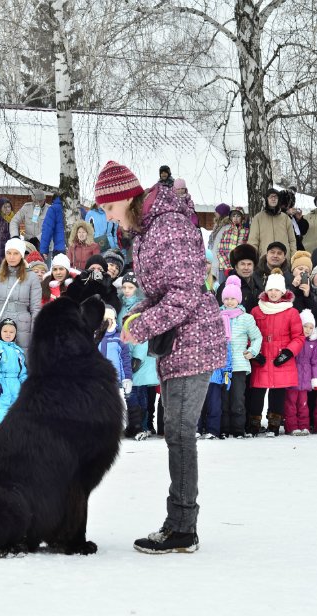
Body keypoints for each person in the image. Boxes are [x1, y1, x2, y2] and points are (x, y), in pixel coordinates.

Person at [95, 159, 225, 553]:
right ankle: (179, 523)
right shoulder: (147, 230)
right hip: (176, 341)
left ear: (125, 199)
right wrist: (138, 312)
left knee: (180, 433)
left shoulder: (168, 226)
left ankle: (182, 527)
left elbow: (185, 294)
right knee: (176, 432)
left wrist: (143, 324)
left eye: (108, 208)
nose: (107, 216)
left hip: (194, 339)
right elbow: (163, 290)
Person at [248, 269, 305, 437]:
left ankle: (274, 423)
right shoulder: (257, 311)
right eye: (270, 289)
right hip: (262, 358)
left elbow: (298, 337)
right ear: (266, 290)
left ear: (283, 291)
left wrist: (288, 352)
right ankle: (254, 423)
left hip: (281, 359)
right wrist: (254, 352)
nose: (273, 293)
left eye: (277, 290)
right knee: (257, 391)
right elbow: (249, 334)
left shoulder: (291, 311)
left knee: (278, 393)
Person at [0, 238, 42, 353]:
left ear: (21, 255)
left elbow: (35, 309)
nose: (11, 257)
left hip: (23, 328)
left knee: (22, 364)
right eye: (9, 253)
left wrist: (36, 334)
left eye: (15, 253)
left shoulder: (32, 277)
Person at [219, 276, 262, 438]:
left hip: (239, 365)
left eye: (233, 298)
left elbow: (257, 337)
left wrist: (252, 351)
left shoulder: (246, 318)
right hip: (221, 366)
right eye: (227, 298)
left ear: (239, 299)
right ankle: (224, 428)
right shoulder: (218, 316)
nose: (230, 302)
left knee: (237, 398)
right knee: (224, 398)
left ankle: (237, 429)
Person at [118, 271, 158, 440]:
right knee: (131, 392)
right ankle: (135, 424)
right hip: (126, 354)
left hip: (139, 356)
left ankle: (141, 425)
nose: (127, 290)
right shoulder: (121, 306)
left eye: (130, 287)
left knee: (137, 392)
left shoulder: (141, 307)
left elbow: (143, 334)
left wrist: (138, 357)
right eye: (124, 287)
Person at [0, 318, 27, 423]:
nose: (8, 334)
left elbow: (22, 369)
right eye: (5, 331)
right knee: (3, 406)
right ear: (0, 332)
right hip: (2, 381)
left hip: (15, 382)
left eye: (11, 332)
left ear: (15, 334)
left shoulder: (17, 350)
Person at [283, 309, 317, 435]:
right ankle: (292, 427)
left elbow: (315, 362)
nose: (307, 330)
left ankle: (304, 426)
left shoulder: (313, 343)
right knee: (290, 403)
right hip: (292, 378)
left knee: (303, 404)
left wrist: (314, 379)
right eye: (305, 326)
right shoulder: (294, 340)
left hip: (305, 380)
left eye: (311, 327)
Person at [98, 304, 132, 414]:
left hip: (114, 380)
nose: (107, 322)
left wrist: (127, 378)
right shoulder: (94, 337)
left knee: (113, 408)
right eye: (104, 319)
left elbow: (125, 359)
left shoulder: (119, 338)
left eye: (110, 319)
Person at [248, 188, 297, 261]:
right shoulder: (258, 218)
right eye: (271, 196)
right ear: (267, 199)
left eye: (276, 197)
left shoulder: (286, 218)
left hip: (284, 260)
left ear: (278, 200)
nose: (273, 199)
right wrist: (253, 259)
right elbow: (253, 241)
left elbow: (292, 241)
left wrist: (293, 258)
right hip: (264, 260)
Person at [216, 243, 262, 312]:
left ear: (254, 266)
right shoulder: (226, 287)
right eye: (242, 264)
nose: (246, 268)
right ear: (236, 267)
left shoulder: (258, 285)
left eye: (249, 264)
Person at [216, 208, 249, 277]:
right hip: (224, 268)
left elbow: (247, 250)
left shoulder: (246, 231)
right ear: (230, 217)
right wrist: (227, 266)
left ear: (242, 217)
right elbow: (220, 251)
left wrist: (239, 265)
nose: (235, 218)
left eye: (238, 216)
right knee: (223, 287)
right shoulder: (226, 231)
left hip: (240, 268)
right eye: (233, 216)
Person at [208, 203, 232, 281]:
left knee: (218, 284)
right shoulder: (218, 226)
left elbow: (224, 246)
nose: (215, 213)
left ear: (221, 213)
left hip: (221, 262)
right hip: (213, 259)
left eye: (217, 212)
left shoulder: (227, 227)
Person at [39, 194, 66, 259]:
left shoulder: (53, 209)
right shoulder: (77, 208)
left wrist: (43, 250)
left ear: (53, 200)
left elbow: (47, 230)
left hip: (60, 249)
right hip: (77, 249)